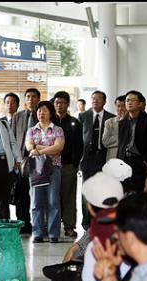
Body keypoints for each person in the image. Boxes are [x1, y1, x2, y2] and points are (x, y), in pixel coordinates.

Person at [25, 101, 65, 243]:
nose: (41, 113)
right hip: (36, 168)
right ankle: (37, 233)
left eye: (44, 111)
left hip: (53, 168)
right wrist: (48, 147)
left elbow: (58, 148)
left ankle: (53, 234)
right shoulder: (31, 130)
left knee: (53, 201)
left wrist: (39, 149)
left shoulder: (58, 130)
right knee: (36, 202)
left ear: (51, 113)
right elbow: (30, 147)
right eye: (39, 111)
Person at [78, 90, 115, 230]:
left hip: (104, 157)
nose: (95, 101)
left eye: (99, 99)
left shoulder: (111, 117)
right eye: (93, 98)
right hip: (87, 159)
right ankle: (86, 222)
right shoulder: (83, 116)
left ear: (104, 102)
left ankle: (100, 219)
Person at [9, 88, 42, 234]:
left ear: (38, 99)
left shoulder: (43, 115)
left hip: (40, 159)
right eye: (28, 96)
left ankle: (40, 225)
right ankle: (23, 223)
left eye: (33, 96)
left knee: (39, 194)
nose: (30, 99)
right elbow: (12, 138)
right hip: (21, 160)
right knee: (22, 194)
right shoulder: (17, 116)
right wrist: (15, 159)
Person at [54, 91, 83, 238]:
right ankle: (51, 227)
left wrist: (74, 163)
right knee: (51, 197)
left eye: (62, 102)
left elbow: (80, 145)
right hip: (50, 166)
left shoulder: (74, 122)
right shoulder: (48, 121)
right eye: (57, 102)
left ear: (67, 104)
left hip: (67, 166)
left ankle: (69, 226)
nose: (59, 105)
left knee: (69, 197)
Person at [118, 90, 147, 193]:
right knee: (125, 192)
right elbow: (121, 144)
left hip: (140, 161)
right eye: (127, 101)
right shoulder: (122, 122)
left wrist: (145, 161)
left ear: (140, 103)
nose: (129, 103)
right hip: (125, 161)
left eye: (132, 100)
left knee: (140, 193)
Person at [102, 95, 126, 162]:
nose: (120, 108)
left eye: (123, 106)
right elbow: (105, 141)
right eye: (118, 106)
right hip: (113, 159)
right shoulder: (109, 122)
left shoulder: (132, 122)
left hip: (128, 160)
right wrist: (124, 137)